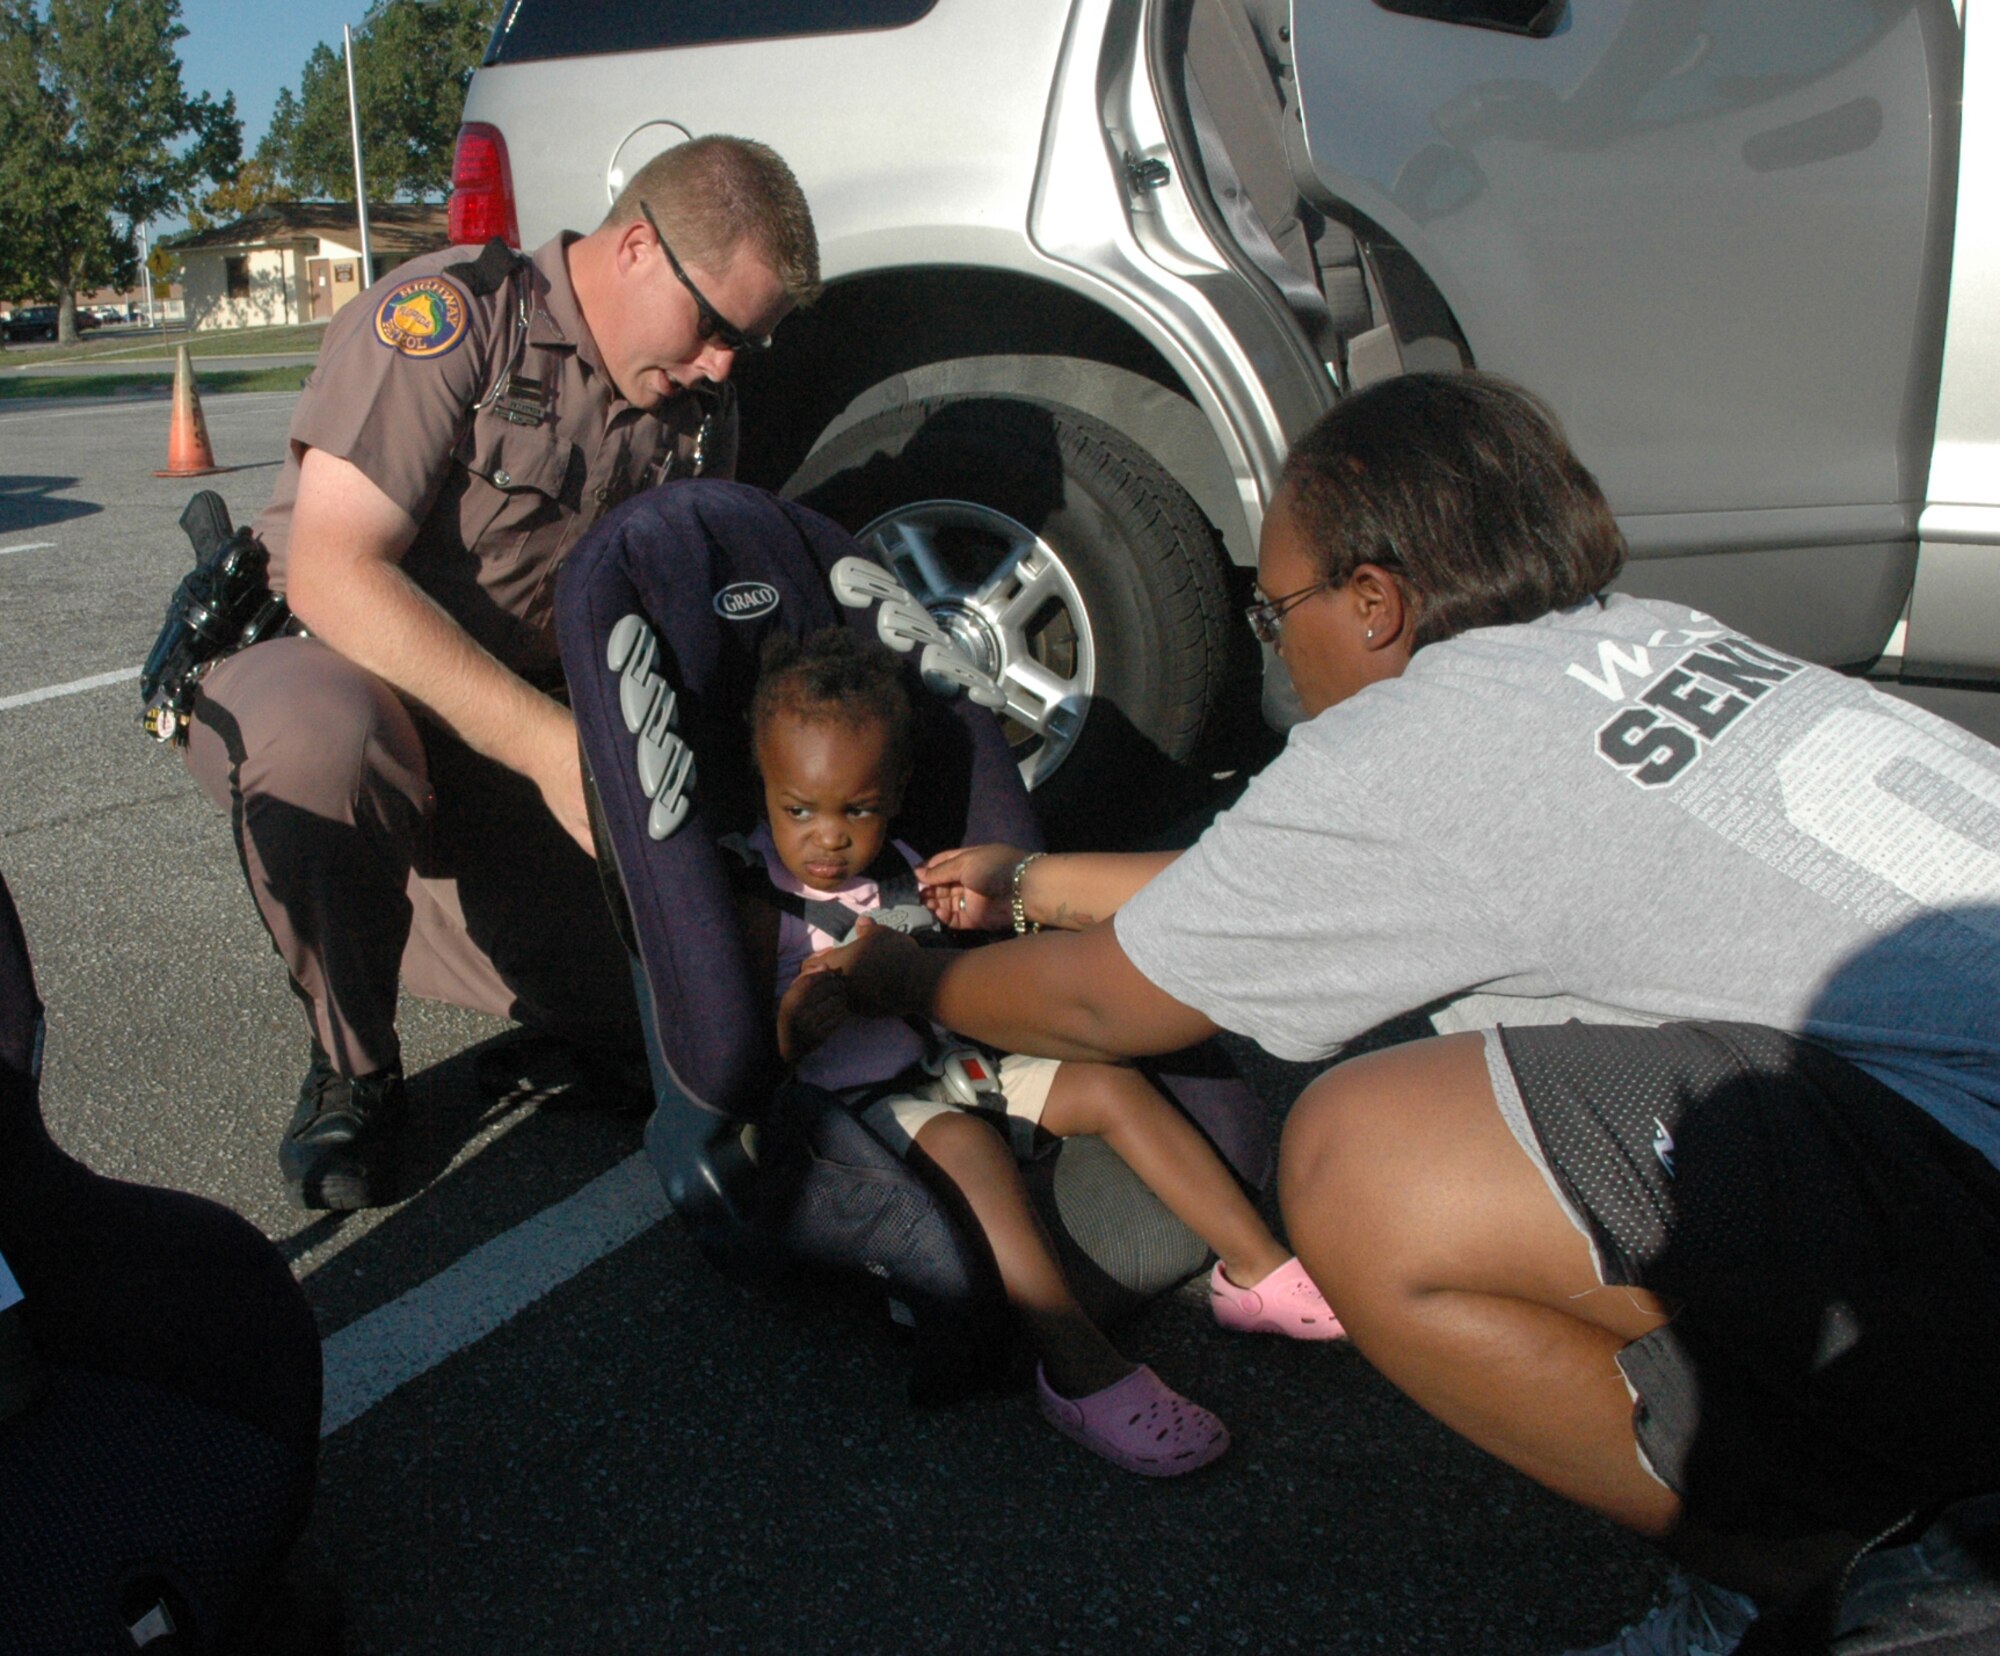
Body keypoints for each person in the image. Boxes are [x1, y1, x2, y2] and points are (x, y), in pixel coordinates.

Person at [827, 374, 2000, 1650]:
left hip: (1969, 1216)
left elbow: (1104, 1007)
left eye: (1278, 614)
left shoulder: (1417, 741)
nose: (1276, 651)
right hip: (1943, 1118)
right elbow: (1281, 886)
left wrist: (894, 978)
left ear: (1373, 602)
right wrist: (1033, 885)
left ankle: (1827, 1582)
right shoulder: (1642, 643)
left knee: (1366, 1164)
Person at [182, 137, 820, 1210]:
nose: (722, 363)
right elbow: (333, 575)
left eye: (743, 343)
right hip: (328, 675)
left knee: (672, 1014)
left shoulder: (699, 412)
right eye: (713, 326)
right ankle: (353, 1066)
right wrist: (552, 751)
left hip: (500, 732)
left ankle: (448, 917)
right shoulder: (452, 319)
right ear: (633, 248)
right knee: (326, 741)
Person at [739, 628, 1341, 1476]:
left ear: (894, 797)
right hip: (858, 1104)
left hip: (954, 1056)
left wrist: (953, 925)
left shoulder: (915, 865)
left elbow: (968, 970)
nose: (828, 838)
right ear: (766, 791)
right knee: (969, 1147)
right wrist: (805, 1008)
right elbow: (768, 1053)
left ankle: (1258, 1269)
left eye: (857, 811)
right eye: (799, 810)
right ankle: (1080, 1367)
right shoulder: (759, 899)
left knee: (1108, 1086)